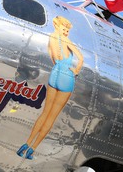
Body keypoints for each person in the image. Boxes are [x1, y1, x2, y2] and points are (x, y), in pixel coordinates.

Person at [17, 16, 84, 159]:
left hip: (55, 74)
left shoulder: (51, 38)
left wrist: (59, 67)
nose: (66, 31)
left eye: (67, 29)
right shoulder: (66, 41)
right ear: (57, 26)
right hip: (66, 76)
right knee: (51, 117)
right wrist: (76, 70)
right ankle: (32, 150)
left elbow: (53, 59)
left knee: (45, 113)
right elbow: (80, 57)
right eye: (64, 28)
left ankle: (26, 144)